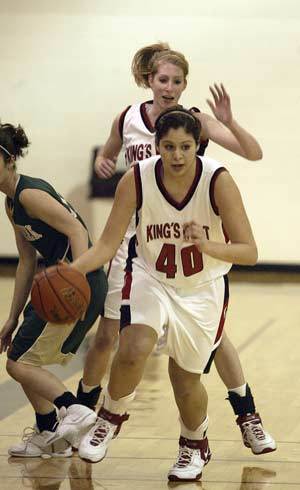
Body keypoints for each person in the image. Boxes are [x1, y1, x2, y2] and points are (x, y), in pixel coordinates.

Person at [77, 42, 276, 455]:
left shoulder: (196, 126)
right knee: (117, 337)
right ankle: (89, 414)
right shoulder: (128, 122)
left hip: (193, 248)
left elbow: (253, 154)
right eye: (162, 79)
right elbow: (110, 156)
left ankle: (243, 414)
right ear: (149, 79)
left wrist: (230, 123)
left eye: (177, 81)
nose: (169, 87)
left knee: (208, 348)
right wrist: (104, 163)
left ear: (185, 85)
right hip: (138, 246)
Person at [0, 122, 108, 458]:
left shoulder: (29, 193)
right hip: (57, 281)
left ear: (8, 160)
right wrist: (12, 317)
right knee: (21, 354)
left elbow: (78, 231)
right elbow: (26, 261)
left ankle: (73, 410)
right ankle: (48, 432)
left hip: (77, 281)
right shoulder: (11, 203)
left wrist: (77, 282)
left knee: (18, 364)